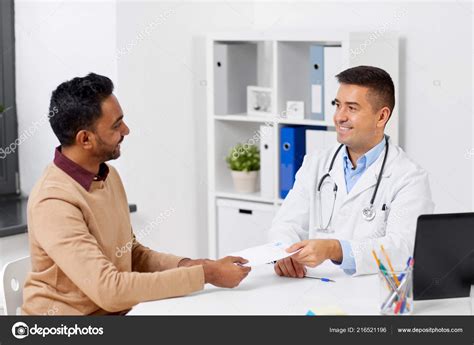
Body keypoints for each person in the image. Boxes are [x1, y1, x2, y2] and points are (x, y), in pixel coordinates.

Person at [22, 73, 250, 315]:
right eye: (116, 125)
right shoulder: (53, 201)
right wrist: (207, 275)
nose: (126, 130)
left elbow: (131, 254)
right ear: (85, 139)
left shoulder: (107, 176)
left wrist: (192, 265)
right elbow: (109, 290)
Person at [269, 66, 434, 277]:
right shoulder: (316, 163)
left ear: (382, 116)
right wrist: (284, 253)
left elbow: (403, 249)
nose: (339, 117)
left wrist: (336, 249)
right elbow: (286, 223)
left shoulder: (409, 177)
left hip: (369, 297)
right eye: (338, 105)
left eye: (352, 108)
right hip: (311, 286)